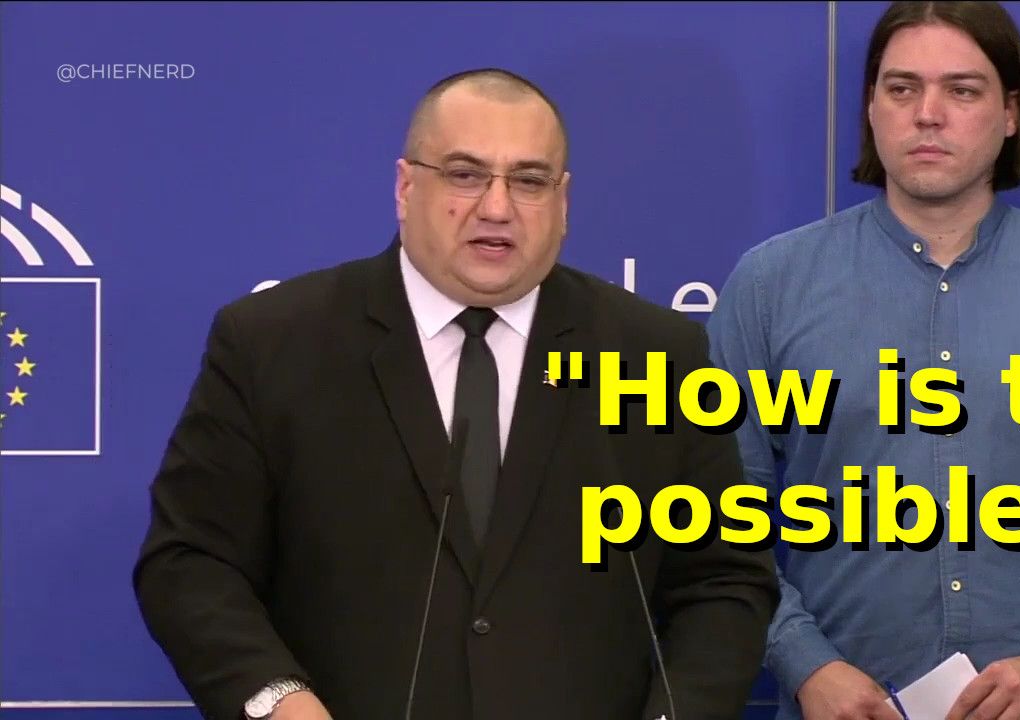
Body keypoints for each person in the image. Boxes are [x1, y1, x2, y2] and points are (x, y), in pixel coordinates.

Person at [133, 68, 778, 720]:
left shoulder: (654, 353)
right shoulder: (273, 342)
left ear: (563, 202)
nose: (496, 208)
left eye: (529, 181)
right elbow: (190, 561)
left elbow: (721, 580)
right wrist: (276, 700)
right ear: (405, 186)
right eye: (465, 175)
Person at [706, 3, 1020, 720]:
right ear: (871, 106)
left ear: (1010, 113)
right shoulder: (769, 285)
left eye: (962, 90)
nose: (927, 114)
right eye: (901, 88)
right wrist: (805, 664)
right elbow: (716, 517)